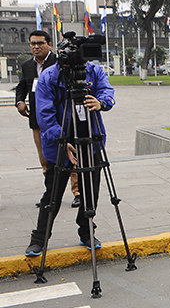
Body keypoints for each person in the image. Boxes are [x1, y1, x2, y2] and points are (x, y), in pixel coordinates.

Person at [24, 58, 115, 256]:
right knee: (53, 193)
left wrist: (100, 102)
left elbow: (107, 91)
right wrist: (61, 141)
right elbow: (44, 114)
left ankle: (87, 232)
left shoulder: (93, 71)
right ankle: (39, 238)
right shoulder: (49, 76)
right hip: (59, 141)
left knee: (90, 191)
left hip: (90, 137)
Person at [15, 31, 81, 208]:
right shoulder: (27, 65)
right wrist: (20, 101)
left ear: (49, 44)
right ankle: (51, 192)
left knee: (70, 156)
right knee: (46, 158)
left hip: (62, 118)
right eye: (32, 43)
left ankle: (77, 191)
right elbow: (22, 86)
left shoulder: (59, 62)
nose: (36, 47)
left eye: (40, 43)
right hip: (38, 119)